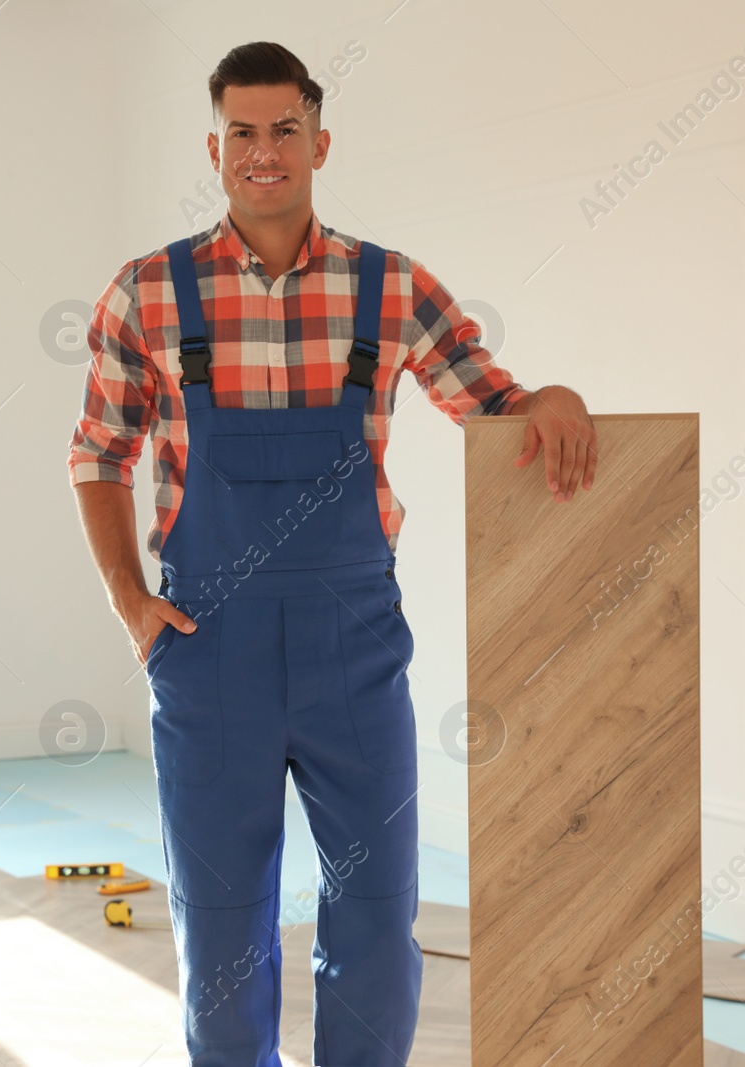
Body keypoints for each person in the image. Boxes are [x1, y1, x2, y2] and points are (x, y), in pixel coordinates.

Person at [68, 40, 596, 1067]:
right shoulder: (146, 292)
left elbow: (492, 405)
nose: (264, 152)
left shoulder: (388, 288)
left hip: (352, 643)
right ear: (214, 146)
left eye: (285, 130)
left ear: (319, 139)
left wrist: (555, 399)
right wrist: (132, 601)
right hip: (206, 642)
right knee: (220, 920)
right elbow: (97, 455)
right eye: (243, 133)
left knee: (376, 908)